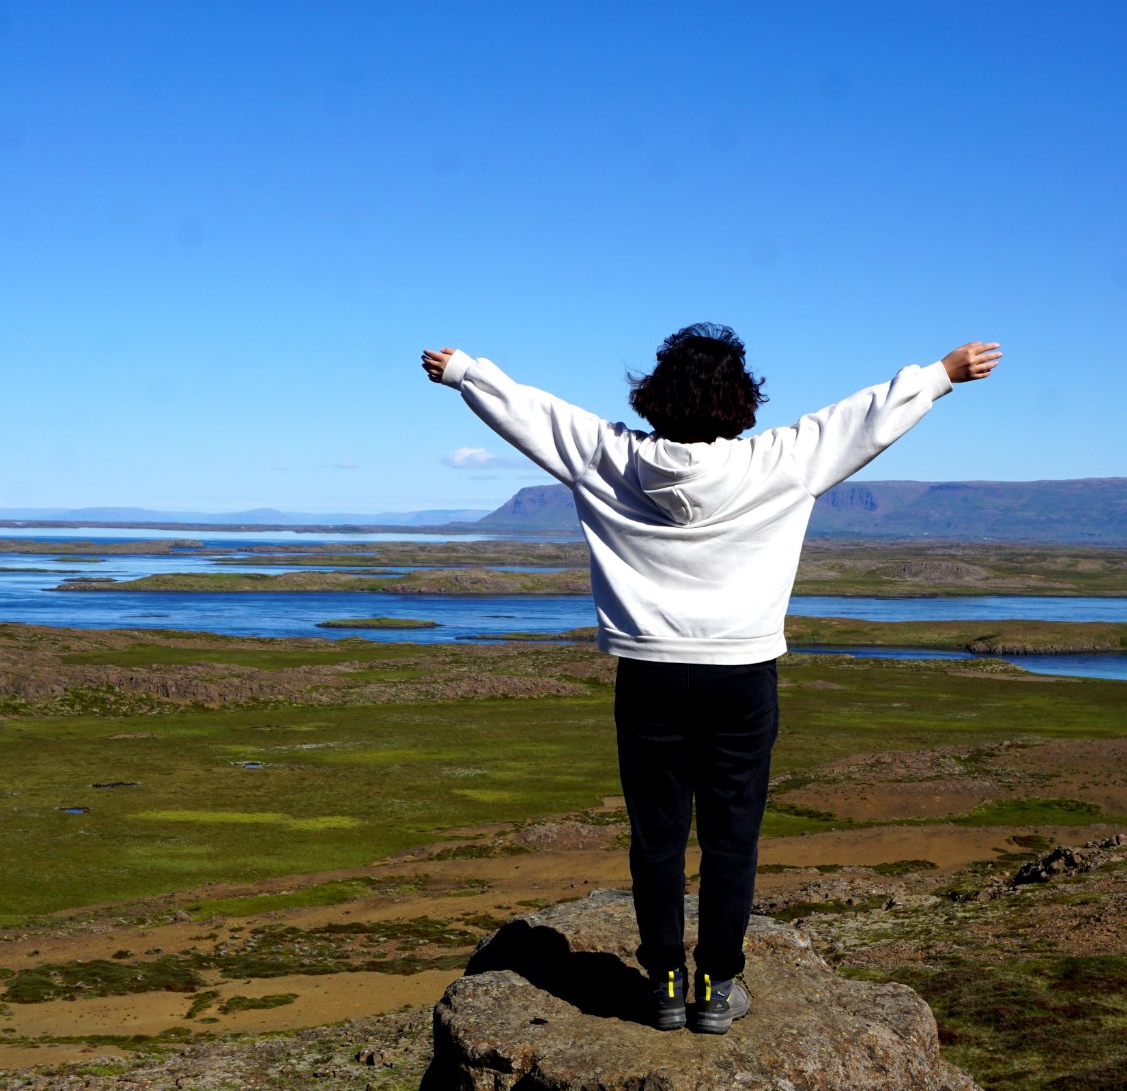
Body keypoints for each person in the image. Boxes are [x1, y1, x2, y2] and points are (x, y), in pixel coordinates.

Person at [420, 325, 1001, 1034]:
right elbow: (863, 418)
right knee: (732, 838)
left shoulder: (610, 456)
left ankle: (664, 979)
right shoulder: (781, 462)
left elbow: (532, 413)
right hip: (742, 677)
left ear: (655, 397)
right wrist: (942, 373)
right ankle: (718, 985)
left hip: (650, 675)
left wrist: (465, 373)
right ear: (741, 402)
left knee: (657, 837)